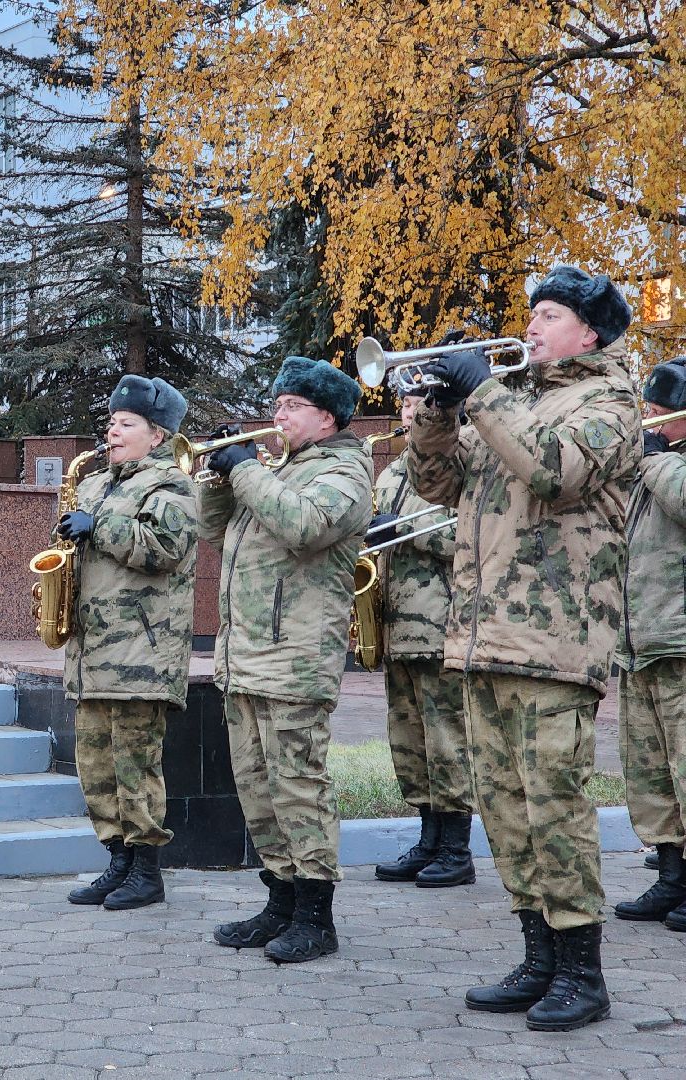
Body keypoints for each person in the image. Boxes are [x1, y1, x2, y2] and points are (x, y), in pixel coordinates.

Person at [408, 265, 639, 1031]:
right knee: (506, 811)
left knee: (554, 810)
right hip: (484, 636)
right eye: (531, 313)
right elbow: (438, 484)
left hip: (555, 641)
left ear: (590, 334)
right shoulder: (518, 400)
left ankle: (582, 972)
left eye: (549, 315)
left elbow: (553, 471)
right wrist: (437, 412)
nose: (531, 327)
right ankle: (539, 958)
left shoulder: (610, 402)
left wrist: (482, 390)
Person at [202, 356, 372, 963]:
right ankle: (280, 899)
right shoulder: (279, 470)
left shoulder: (345, 471)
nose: (278, 415)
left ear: (327, 418)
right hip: (247, 656)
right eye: (277, 404)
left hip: (295, 659)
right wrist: (217, 477)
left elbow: (305, 526)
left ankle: (316, 916)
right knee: (257, 787)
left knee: (299, 786)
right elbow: (211, 530)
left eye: (293, 406)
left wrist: (246, 470)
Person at [59, 375, 199, 912]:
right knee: (96, 767)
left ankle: (146, 872)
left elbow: (163, 547)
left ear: (157, 435)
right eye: (112, 422)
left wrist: (97, 526)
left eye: (126, 424)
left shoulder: (172, 486)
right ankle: (116, 862)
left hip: (142, 653)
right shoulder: (95, 483)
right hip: (92, 652)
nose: (112, 432)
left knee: (136, 766)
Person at [368, 385, 475, 888]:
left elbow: (468, 536)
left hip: (443, 626)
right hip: (398, 629)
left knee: (448, 740)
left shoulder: (464, 459)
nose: (407, 411)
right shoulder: (393, 470)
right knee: (410, 743)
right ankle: (428, 839)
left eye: (418, 403)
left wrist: (405, 531)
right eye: (406, 403)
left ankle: (456, 849)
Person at [613, 356, 686, 929]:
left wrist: (654, 459)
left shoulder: (662, 465)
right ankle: (671, 876)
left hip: (680, 643)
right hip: (640, 642)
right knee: (651, 774)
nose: (651, 421)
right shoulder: (653, 464)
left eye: (662, 413)